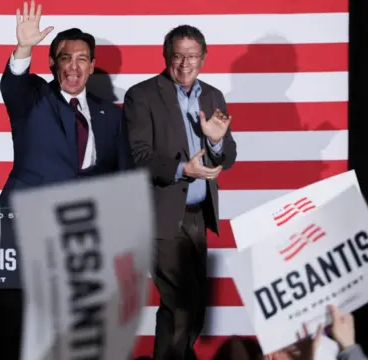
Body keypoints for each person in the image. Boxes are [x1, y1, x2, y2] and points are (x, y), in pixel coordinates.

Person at [123, 25, 237, 360]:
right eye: (177, 55)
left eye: (192, 56)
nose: (185, 63)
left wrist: (215, 141)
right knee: (180, 302)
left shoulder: (213, 95)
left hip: (198, 216)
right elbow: (138, 157)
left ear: (203, 58)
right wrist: (182, 170)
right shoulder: (141, 95)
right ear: (166, 56)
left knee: (194, 307)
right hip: (161, 214)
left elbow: (228, 156)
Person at [0, 0, 132, 207]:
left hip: (83, 220)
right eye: (65, 58)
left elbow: (121, 175)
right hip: (30, 212)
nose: (73, 67)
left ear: (91, 66)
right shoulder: (34, 96)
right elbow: (13, 85)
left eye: (82, 59)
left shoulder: (112, 114)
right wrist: (24, 48)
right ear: (52, 63)